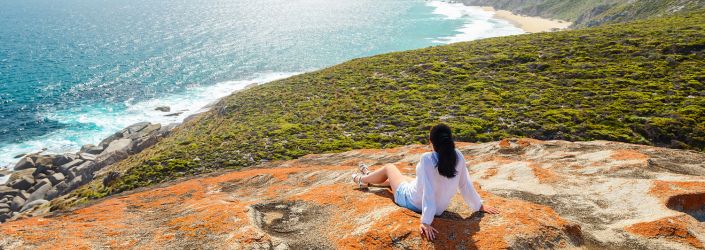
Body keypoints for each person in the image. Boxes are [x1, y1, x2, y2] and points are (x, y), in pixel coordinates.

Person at [352, 124, 500, 241]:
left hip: (411, 202)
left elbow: (428, 193)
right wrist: (478, 205)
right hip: (438, 208)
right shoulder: (458, 156)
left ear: (431, 142)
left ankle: (362, 179)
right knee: (406, 179)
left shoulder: (427, 159)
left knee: (390, 168)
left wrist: (426, 221)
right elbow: (465, 185)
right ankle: (370, 178)